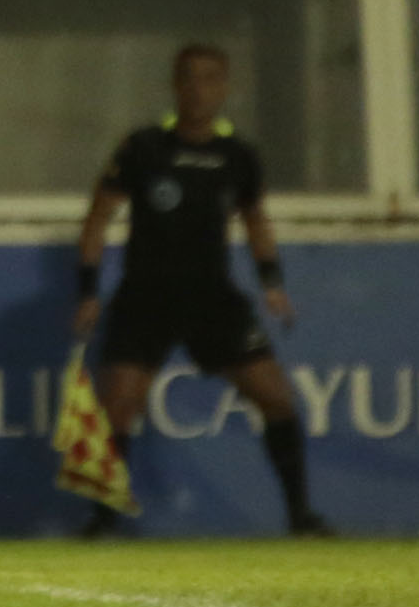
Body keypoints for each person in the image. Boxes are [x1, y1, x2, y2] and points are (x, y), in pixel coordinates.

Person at [73, 45, 330, 538]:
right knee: (118, 405)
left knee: (276, 399)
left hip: (212, 298)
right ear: (175, 86)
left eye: (211, 79)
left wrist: (271, 284)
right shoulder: (144, 147)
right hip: (146, 297)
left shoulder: (238, 156)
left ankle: (301, 516)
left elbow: (256, 220)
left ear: (226, 88)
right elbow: (98, 217)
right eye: (189, 78)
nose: (199, 89)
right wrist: (88, 289)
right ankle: (102, 521)